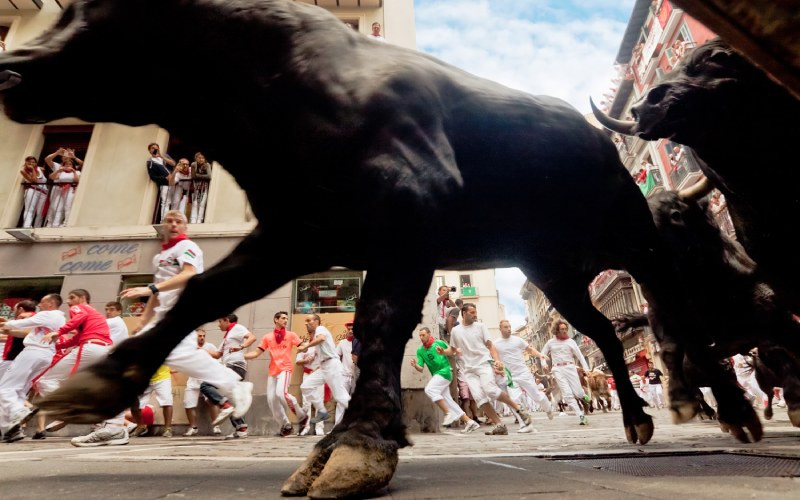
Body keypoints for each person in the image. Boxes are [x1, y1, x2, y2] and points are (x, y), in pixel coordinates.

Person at [120, 210, 253, 436]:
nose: (173, 225)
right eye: (169, 221)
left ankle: (234, 386)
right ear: (163, 226)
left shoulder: (187, 247)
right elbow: (159, 289)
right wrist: (143, 320)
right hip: (163, 317)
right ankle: (113, 424)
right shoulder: (159, 257)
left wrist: (150, 289)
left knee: (173, 355)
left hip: (183, 312)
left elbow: (189, 274)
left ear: (185, 227)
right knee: (126, 355)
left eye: (178, 221)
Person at [34, 289, 130, 446]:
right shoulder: (95, 316)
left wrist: (57, 332)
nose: (68, 301)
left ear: (82, 298)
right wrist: (60, 344)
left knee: (46, 380)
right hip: (102, 349)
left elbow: (80, 318)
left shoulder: (80, 308)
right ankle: (111, 427)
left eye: (72, 297)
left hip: (90, 348)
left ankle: (69, 411)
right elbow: (78, 337)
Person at [442, 303, 534, 435]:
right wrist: (443, 352)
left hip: (483, 364)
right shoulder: (456, 331)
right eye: (472, 312)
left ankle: (518, 408)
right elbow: (452, 349)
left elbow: (490, 346)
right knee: (480, 399)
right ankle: (499, 425)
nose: (475, 314)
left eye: (475, 312)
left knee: (491, 390)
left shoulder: (481, 327)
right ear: (464, 313)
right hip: (468, 370)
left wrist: (497, 360)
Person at [0, 294, 65, 442]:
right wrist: (7, 327)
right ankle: (11, 429)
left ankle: (20, 411)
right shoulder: (57, 318)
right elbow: (23, 330)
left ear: (50, 303)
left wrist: (7, 324)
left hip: (33, 352)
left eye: (42, 302)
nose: (39, 305)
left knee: (5, 388)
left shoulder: (48, 314)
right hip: (44, 354)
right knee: (20, 390)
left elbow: (22, 324)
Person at [245, 311, 306, 437]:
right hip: (273, 370)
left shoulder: (291, 335)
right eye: (283, 318)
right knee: (271, 399)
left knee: (281, 393)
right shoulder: (267, 337)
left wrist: (304, 347)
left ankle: (302, 416)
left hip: (285, 368)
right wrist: (242, 356)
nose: (285, 320)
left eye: (286, 318)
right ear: (276, 320)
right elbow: (256, 353)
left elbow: (302, 345)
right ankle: (286, 425)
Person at [410, 327, 480, 433]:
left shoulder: (438, 343)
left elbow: (451, 351)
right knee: (449, 401)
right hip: (437, 375)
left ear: (429, 334)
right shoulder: (420, 351)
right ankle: (470, 422)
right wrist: (415, 365)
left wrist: (453, 351)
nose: (421, 337)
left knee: (429, 389)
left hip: (445, 372)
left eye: (423, 335)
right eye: (420, 336)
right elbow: (420, 368)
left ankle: (448, 413)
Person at [493, 320, 554, 419]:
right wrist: (497, 367)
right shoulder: (496, 344)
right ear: (500, 329)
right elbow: (494, 359)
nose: (509, 329)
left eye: (509, 326)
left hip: (523, 373)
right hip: (510, 376)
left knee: (536, 396)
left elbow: (530, 350)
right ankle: (524, 423)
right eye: (505, 327)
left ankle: (548, 408)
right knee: (514, 399)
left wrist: (540, 355)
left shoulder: (518, 340)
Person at [298, 314, 350, 427]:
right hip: (324, 367)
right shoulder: (317, 337)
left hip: (332, 365)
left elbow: (321, 338)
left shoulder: (320, 329)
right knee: (305, 386)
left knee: (341, 397)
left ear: (316, 321)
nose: (306, 323)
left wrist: (305, 346)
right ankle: (322, 411)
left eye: (309, 320)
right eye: (305, 321)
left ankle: (364, 418)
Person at [541, 320, 591, 425]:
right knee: (567, 394)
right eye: (562, 329)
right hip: (557, 369)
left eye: (565, 329)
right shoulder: (550, 342)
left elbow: (580, 356)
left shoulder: (571, 342)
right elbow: (542, 354)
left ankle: (582, 395)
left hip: (570, 367)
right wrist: (544, 363)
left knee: (578, 392)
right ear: (557, 330)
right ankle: (581, 416)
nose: (564, 331)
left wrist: (586, 370)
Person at [183, 328, 222, 436]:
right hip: (193, 379)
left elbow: (218, 359)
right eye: (199, 336)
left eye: (203, 336)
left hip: (206, 379)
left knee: (211, 401)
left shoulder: (210, 347)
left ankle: (216, 425)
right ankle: (193, 427)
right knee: (188, 403)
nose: (202, 338)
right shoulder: (189, 348)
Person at [44, 148, 82, 227]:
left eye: (68, 156)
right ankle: (51, 224)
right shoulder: (58, 166)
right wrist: (57, 153)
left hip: (70, 189)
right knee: (54, 206)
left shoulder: (76, 169)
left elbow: (83, 165)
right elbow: (47, 160)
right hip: (58, 188)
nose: (67, 157)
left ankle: (64, 223)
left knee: (67, 206)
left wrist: (74, 157)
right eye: (65, 155)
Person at [145, 143, 176, 222]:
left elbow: (173, 163)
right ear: (149, 151)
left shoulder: (164, 156)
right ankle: (164, 221)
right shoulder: (150, 162)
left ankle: (173, 220)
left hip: (174, 182)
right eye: (152, 148)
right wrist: (164, 178)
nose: (155, 149)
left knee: (174, 202)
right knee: (165, 202)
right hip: (164, 184)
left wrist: (162, 156)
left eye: (156, 148)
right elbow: (152, 176)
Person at [19, 156, 48, 228]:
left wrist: (37, 169)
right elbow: (34, 181)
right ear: (26, 163)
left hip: (43, 192)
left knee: (40, 212)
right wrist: (32, 170)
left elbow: (43, 171)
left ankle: (37, 227)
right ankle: (27, 226)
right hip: (32, 190)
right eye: (29, 162)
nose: (32, 163)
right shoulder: (24, 171)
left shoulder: (40, 169)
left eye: (33, 162)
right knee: (30, 209)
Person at [190, 152, 212, 224]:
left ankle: (200, 219)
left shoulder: (207, 165)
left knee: (202, 203)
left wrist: (197, 175)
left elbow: (209, 176)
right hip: (195, 186)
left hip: (204, 186)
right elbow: (193, 176)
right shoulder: (193, 164)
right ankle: (193, 219)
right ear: (196, 158)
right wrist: (201, 175)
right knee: (195, 203)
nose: (201, 159)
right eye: (199, 158)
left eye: (203, 158)